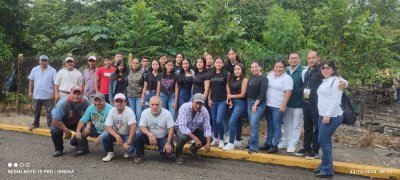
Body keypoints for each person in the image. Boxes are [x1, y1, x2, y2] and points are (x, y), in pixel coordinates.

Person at [295, 51, 347, 160]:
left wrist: (345, 83)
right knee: (307, 127)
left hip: (317, 105)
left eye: (313, 58)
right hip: (306, 102)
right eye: (309, 58)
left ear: (318, 58)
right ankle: (306, 148)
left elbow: (340, 79)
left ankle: (315, 150)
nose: (311, 60)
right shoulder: (306, 70)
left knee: (317, 128)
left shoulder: (323, 69)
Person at [314, 61, 343, 178]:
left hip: (331, 116)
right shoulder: (325, 81)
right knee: (326, 141)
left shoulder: (336, 81)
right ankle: (325, 166)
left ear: (333, 70)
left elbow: (336, 100)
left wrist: (328, 115)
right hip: (323, 115)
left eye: (328, 68)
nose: (325, 70)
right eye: (323, 68)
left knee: (323, 141)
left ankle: (327, 170)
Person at [50, 86, 90, 157]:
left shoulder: (86, 103)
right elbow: (55, 120)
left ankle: (80, 146)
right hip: (62, 122)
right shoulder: (62, 104)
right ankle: (58, 149)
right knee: (54, 130)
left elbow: (90, 116)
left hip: (78, 123)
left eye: (78, 94)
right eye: (74, 94)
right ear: (70, 94)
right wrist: (66, 131)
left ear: (82, 95)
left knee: (85, 128)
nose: (76, 96)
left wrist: (88, 127)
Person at [263, 60, 293, 153]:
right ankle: (268, 143)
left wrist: (283, 105)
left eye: (280, 67)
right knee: (270, 125)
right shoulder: (270, 75)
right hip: (268, 105)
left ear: (284, 69)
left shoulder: (287, 78)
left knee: (277, 126)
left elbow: (289, 92)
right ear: (273, 67)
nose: (278, 69)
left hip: (278, 106)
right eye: (276, 67)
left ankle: (275, 145)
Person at [134, 96, 175, 164]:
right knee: (138, 136)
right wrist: (149, 134)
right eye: (152, 104)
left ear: (161, 104)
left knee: (169, 152)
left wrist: (168, 142)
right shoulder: (145, 112)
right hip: (149, 137)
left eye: (157, 104)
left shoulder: (167, 113)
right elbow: (142, 127)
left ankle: (162, 153)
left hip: (162, 138)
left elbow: (171, 128)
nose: (154, 107)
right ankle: (139, 156)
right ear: (149, 104)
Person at [280, 52, 307, 153]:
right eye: (291, 58)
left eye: (295, 58)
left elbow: (307, 87)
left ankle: (292, 144)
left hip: (299, 104)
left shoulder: (303, 71)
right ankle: (285, 141)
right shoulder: (285, 70)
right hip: (287, 102)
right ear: (288, 60)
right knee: (286, 123)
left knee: (297, 124)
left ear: (299, 59)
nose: (293, 60)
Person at [175, 93, 212, 164]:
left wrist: (208, 143)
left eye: (200, 104)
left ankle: (193, 149)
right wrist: (195, 138)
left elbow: (207, 127)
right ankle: (178, 155)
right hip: (180, 128)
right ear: (192, 101)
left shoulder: (204, 111)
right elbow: (182, 126)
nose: (198, 106)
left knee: (209, 139)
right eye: (196, 103)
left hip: (194, 129)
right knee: (183, 138)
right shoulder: (184, 107)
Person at [102, 93, 136, 162]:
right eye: (117, 101)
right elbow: (108, 127)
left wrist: (128, 142)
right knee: (105, 136)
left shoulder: (129, 111)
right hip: (116, 133)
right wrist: (117, 136)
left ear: (125, 102)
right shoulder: (112, 111)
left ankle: (128, 152)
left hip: (127, 134)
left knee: (130, 149)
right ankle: (110, 153)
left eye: (121, 101)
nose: (119, 103)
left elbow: (133, 127)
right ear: (114, 102)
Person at [28, 55, 57, 129]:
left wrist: (54, 93)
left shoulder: (52, 70)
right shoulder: (34, 69)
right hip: (37, 94)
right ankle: (36, 124)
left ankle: (50, 125)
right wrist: (30, 92)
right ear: (39, 61)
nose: (43, 62)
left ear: (48, 61)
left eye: (45, 61)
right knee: (36, 111)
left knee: (49, 111)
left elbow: (55, 83)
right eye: (42, 61)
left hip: (48, 94)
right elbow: (31, 81)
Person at [223, 63, 248, 151]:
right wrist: (229, 99)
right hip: (233, 103)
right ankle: (238, 140)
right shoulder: (232, 79)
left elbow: (242, 94)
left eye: (239, 69)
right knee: (237, 122)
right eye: (235, 69)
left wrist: (231, 97)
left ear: (242, 70)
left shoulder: (244, 79)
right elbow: (228, 88)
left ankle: (231, 143)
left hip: (241, 103)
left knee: (232, 122)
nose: (237, 71)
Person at [246, 61, 268, 154]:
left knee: (254, 123)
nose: (254, 69)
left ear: (260, 67)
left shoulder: (263, 79)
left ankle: (254, 147)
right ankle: (251, 142)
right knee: (252, 124)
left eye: (256, 67)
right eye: (252, 67)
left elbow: (262, 94)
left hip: (258, 104)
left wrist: (256, 104)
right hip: (249, 102)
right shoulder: (252, 77)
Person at [209, 57, 229, 149]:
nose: (218, 64)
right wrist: (209, 98)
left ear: (223, 64)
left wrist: (229, 98)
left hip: (222, 100)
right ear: (214, 64)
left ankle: (221, 139)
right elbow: (210, 88)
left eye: (220, 62)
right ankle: (215, 138)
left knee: (219, 120)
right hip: (213, 100)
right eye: (217, 62)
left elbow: (227, 86)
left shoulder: (226, 74)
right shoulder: (211, 73)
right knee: (213, 120)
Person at [127, 58, 144, 122]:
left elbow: (145, 85)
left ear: (139, 64)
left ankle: (139, 130)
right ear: (131, 64)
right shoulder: (128, 71)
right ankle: (133, 129)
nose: (135, 64)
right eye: (133, 63)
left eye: (136, 63)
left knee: (139, 114)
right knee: (132, 114)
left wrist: (143, 96)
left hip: (139, 96)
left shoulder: (142, 72)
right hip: (130, 96)